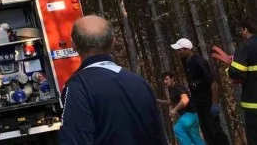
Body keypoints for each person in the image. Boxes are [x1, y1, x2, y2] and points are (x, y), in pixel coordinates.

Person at [59, 15, 166, 145]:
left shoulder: (78, 86)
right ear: (113, 42)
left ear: (73, 44)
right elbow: (159, 137)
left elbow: (74, 140)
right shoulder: (140, 83)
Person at [171, 37, 229, 145]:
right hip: (199, 105)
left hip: (208, 103)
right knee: (207, 133)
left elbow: (213, 84)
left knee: (215, 131)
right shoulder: (185, 63)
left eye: (180, 50)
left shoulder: (200, 62)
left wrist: (215, 104)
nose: (178, 53)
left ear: (187, 49)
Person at [213, 17, 257, 144]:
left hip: (253, 107)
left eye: (242, 30)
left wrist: (230, 66)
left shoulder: (246, 46)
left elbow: (236, 73)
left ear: (245, 29)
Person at [162, 71, 204, 145]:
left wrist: (175, 109)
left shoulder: (177, 87)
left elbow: (185, 99)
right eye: (164, 80)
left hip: (190, 115)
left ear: (172, 79)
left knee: (178, 129)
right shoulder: (172, 89)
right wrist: (160, 101)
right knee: (195, 139)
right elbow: (172, 101)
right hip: (193, 115)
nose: (165, 81)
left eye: (167, 79)